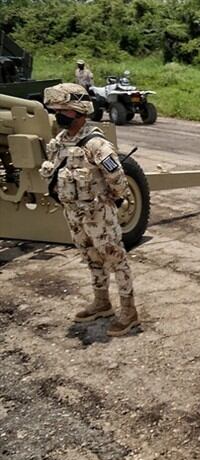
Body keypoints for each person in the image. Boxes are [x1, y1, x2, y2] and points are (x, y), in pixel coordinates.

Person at [39, 83, 139, 337]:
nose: (57, 114)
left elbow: (117, 178)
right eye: (55, 109)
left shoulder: (96, 144)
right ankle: (101, 302)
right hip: (74, 214)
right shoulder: (58, 143)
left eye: (63, 110)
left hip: (98, 213)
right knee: (91, 257)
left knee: (116, 259)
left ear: (79, 111)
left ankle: (128, 311)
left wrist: (113, 200)